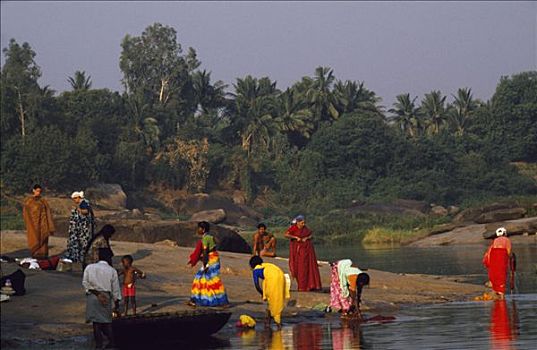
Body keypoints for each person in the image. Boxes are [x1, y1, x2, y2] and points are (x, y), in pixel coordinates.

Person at [82, 248, 121, 350]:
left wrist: (97, 293)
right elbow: (116, 289)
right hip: (106, 296)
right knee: (106, 322)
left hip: (93, 296)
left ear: (99, 256)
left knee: (96, 323)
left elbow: (85, 283)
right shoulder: (112, 271)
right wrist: (116, 302)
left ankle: (99, 344)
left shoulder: (90, 267)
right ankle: (111, 343)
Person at [188, 221, 229, 307]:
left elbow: (206, 252)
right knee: (203, 279)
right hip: (213, 258)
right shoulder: (209, 237)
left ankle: (221, 301)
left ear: (203, 229)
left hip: (211, 260)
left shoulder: (206, 238)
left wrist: (205, 264)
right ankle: (197, 299)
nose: (198, 230)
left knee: (211, 280)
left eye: (199, 228)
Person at [249, 256, 290, 330]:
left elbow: (256, 285)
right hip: (281, 276)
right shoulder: (267, 265)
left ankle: (278, 323)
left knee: (273, 301)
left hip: (273, 279)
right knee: (274, 299)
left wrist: (262, 293)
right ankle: (267, 322)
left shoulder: (256, 270)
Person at [284, 215, 322, 291]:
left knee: (309, 266)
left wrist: (307, 238)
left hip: (307, 249)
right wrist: (295, 237)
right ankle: (302, 286)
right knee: (301, 268)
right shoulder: (294, 228)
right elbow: (286, 234)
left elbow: (311, 235)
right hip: (298, 250)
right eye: (302, 223)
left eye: (304, 223)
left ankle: (310, 285)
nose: (303, 224)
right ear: (297, 222)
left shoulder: (305, 228)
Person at [22, 184, 55, 258]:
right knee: (35, 239)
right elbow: (26, 214)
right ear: (33, 190)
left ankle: (43, 256)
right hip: (33, 225)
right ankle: (35, 255)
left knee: (43, 241)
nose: (38, 193)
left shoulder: (43, 201)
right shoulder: (29, 202)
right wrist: (29, 223)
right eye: (37, 191)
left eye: (40, 191)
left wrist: (49, 225)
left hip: (43, 225)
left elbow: (48, 213)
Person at [65, 191, 95, 263]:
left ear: (79, 197)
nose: (75, 200)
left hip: (84, 229)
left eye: (75, 198)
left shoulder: (83, 203)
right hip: (84, 228)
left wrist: (77, 210)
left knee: (83, 244)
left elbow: (85, 211)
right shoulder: (83, 203)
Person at [483, 227, 513, 299]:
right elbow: (508, 251)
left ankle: (496, 289)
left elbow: (491, 251)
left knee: (495, 272)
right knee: (501, 273)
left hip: (494, 256)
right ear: (505, 233)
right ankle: (501, 294)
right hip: (501, 256)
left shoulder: (495, 240)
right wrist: (511, 257)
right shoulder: (507, 240)